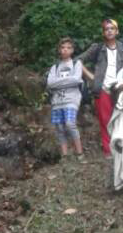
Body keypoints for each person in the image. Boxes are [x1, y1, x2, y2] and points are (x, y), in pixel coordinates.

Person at [80, 19, 123, 156]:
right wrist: (91, 76)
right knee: (105, 120)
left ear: (117, 31)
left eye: (112, 28)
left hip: (119, 88)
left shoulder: (122, 47)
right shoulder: (97, 48)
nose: (109, 31)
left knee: (120, 118)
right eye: (106, 29)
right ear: (103, 32)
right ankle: (108, 150)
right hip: (103, 89)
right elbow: (78, 61)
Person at [46, 37, 86, 162]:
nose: (65, 50)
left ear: (72, 50)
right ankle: (65, 155)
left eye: (68, 48)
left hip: (72, 100)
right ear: (59, 50)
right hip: (57, 101)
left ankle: (80, 154)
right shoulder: (55, 66)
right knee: (59, 128)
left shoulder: (76, 64)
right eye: (63, 47)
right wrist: (68, 81)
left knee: (70, 124)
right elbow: (50, 84)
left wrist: (59, 82)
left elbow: (76, 79)